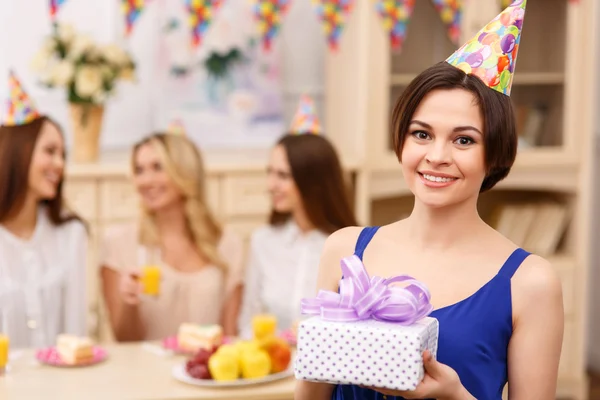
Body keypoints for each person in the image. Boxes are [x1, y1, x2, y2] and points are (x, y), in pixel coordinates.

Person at [295, 2, 564, 399]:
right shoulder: (344, 251)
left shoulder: (530, 283)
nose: (436, 156)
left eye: (463, 140)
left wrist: (453, 395)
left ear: (495, 154)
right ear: (401, 143)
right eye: (421, 134)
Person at [100, 132, 244, 341]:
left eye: (158, 167)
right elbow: (124, 340)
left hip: (204, 371)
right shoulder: (119, 243)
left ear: (185, 172)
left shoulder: (228, 245)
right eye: (139, 170)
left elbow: (230, 339)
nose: (146, 181)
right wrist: (129, 303)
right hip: (142, 372)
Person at [238, 95, 358, 337]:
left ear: (312, 181)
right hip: (272, 369)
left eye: (282, 175)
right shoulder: (263, 241)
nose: (270, 184)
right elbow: (247, 323)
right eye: (270, 172)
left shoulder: (352, 246)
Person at [0, 72, 88, 349]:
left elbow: (76, 336)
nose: (59, 164)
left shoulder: (71, 235)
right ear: (18, 153)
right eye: (50, 151)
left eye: (62, 154)